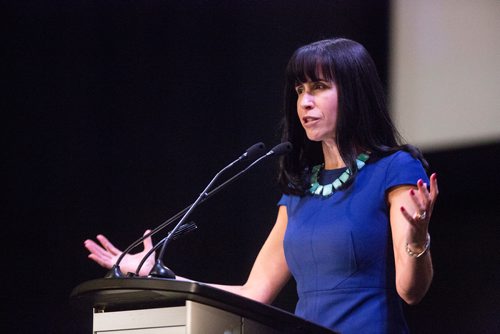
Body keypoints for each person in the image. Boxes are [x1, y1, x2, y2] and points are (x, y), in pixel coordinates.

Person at [85, 38, 439, 333]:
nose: (305, 101)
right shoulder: (300, 191)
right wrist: (163, 279)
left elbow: (410, 292)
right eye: (300, 90)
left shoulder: (395, 169)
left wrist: (419, 237)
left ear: (354, 94)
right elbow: (254, 293)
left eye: (319, 87)